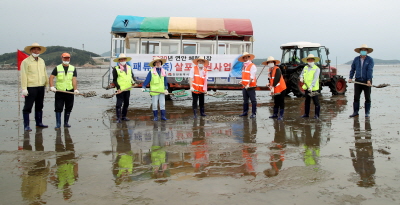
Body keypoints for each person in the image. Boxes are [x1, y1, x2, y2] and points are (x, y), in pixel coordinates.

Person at [20, 43, 49, 131]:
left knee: (39, 105)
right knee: (28, 106)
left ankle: (39, 123)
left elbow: (45, 73)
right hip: (31, 87)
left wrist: (47, 85)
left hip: (41, 86)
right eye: (34, 49)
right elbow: (23, 75)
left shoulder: (42, 61)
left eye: (38, 49)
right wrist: (24, 88)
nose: (36, 51)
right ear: (31, 50)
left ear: (40, 51)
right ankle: (26, 125)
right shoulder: (26, 61)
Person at [49, 53, 78, 129]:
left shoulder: (73, 68)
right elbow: (51, 77)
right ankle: (58, 124)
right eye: (65, 58)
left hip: (70, 91)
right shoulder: (57, 68)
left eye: (68, 58)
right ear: (61, 58)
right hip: (59, 91)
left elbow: (74, 79)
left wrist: (75, 89)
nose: (66, 60)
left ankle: (66, 123)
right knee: (58, 108)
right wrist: (51, 86)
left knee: (69, 107)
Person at [348, 44, 374, 118]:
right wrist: (350, 78)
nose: (363, 51)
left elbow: (370, 70)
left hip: (367, 81)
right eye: (362, 50)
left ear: (367, 51)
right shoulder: (356, 59)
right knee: (356, 97)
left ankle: (367, 113)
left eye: (365, 50)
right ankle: (355, 112)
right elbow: (352, 69)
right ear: (360, 51)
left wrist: (369, 80)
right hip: (358, 81)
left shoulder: (370, 60)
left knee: (367, 98)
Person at [112, 54, 135, 123]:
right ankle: (118, 118)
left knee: (126, 103)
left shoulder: (129, 67)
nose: (123, 60)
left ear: (126, 60)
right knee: (119, 104)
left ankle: (124, 116)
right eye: (121, 59)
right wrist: (118, 88)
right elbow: (114, 80)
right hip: (120, 89)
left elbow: (132, 76)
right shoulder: (116, 68)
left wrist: (134, 82)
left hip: (128, 88)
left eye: (124, 59)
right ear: (119, 60)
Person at [263, 56, 286, 120]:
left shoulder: (277, 69)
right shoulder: (270, 70)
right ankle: (275, 114)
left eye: (271, 62)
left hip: (281, 88)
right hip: (275, 89)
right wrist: (269, 84)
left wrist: (273, 86)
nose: (270, 63)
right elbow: (271, 79)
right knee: (276, 101)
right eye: (269, 62)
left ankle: (281, 115)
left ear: (274, 62)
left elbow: (277, 78)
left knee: (281, 102)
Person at [299, 54, 321, 119]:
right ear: (307, 61)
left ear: (314, 60)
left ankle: (317, 115)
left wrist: (311, 86)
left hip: (313, 88)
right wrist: (301, 77)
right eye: (309, 60)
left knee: (316, 101)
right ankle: (306, 114)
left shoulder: (317, 69)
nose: (310, 61)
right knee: (307, 101)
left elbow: (315, 78)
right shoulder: (305, 67)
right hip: (306, 87)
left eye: (311, 60)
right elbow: (301, 74)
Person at [238, 52, 257, 118]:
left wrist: (248, 84)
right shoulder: (244, 66)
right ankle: (245, 112)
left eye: (246, 57)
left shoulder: (252, 65)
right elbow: (244, 76)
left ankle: (254, 113)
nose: (245, 58)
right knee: (245, 100)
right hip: (244, 86)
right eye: (244, 57)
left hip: (250, 86)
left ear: (249, 58)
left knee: (253, 100)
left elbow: (252, 76)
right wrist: (242, 81)